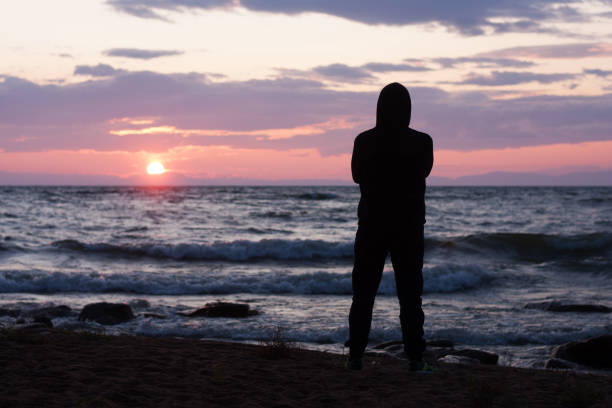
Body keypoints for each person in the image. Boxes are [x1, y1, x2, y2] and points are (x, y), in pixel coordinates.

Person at [346, 82, 433, 370]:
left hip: (372, 225)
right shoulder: (422, 142)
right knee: (410, 296)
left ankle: (355, 355)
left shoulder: (365, 140)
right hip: (408, 228)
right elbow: (424, 171)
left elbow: (356, 176)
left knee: (363, 294)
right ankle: (416, 358)